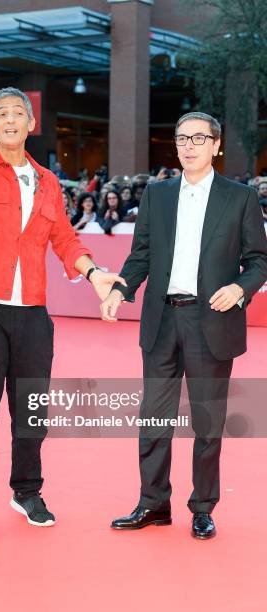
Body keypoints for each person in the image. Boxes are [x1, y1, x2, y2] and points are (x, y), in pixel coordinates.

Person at [0, 55, 125, 542]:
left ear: (32, 124)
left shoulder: (48, 182)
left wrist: (95, 273)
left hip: (33, 315)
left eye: (19, 113)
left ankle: (26, 491)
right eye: (2, 115)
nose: (12, 120)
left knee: (31, 410)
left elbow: (65, 242)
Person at [101, 111, 267, 540]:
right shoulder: (157, 195)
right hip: (161, 319)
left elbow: (259, 260)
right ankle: (153, 504)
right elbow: (140, 255)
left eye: (198, 138)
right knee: (153, 419)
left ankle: (203, 507)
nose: (188, 145)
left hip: (212, 318)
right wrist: (121, 290)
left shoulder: (241, 197)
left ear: (216, 145)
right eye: (181, 139)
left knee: (208, 422)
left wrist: (240, 288)